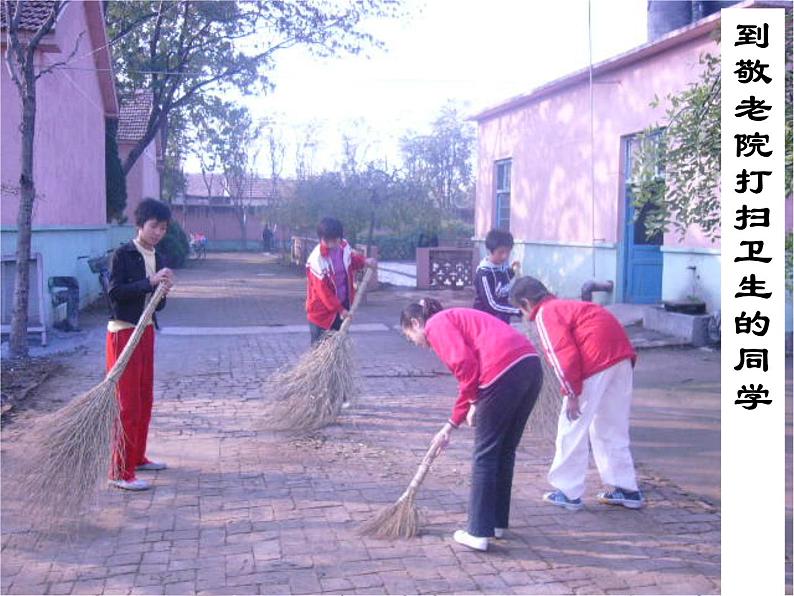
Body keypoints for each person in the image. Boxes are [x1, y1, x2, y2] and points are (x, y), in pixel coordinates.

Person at [401, 299, 542, 551]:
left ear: (415, 323)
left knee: (485, 454)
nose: (414, 343)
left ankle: (477, 532)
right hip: (530, 367)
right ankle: (496, 523)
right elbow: (468, 378)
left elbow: (465, 365)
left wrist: (475, 401)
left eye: (410, 336)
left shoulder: (436, 324)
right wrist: (451, 425)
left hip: (501, 372)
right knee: (503, 450)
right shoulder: (457, 318)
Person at [510, 276, 644, 510]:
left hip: (595, 362)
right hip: (621, 359)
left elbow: (563, 355)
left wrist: (571, 393)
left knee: (571, 427)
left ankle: (567, 491)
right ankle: (625, 488)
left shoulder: (546, 313)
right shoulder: (569, 306)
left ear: (525, 303)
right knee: (612, 426)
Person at [106, 198, 174, 491]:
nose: (158, 232)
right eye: (153, 226)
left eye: (163, 228)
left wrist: (163, 289)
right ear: (140, 225)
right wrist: (150, 282)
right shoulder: (123, 255)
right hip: (123, 334)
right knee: (127, 404)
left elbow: (156, 307)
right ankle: (119, 471)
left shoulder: (157, 256)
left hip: (146, 331)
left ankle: (137, 457)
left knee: (144, 399)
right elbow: (116, 294)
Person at [305, 217, 376, 346]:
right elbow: (324, 293)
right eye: (332, 239)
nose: (337, 241)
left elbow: (350, 262)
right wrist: (340, 309)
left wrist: (365, 261)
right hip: (322, 315)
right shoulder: (317, 260)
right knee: (320, 352)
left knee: (339, 348)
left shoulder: (343, 247)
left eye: (338, 238)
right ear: (323, 239)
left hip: (342, 307)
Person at [473, 229, 522, 323]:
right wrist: (518, 310)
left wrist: (512, 271)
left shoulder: (501, 266)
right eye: (501, 252)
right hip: (486, 320)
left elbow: (502, 280)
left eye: (508, 252)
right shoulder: (484, 273)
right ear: (490, 251)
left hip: (502, 318)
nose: (505, 256)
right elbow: (492, 304)